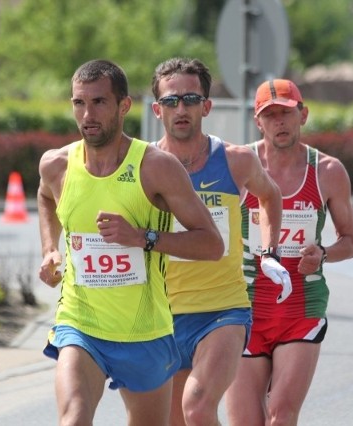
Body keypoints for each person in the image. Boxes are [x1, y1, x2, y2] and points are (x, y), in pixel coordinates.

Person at [37, 59, 224, 426]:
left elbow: (211, 244)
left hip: (144, 332)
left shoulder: (157, 167)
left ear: (124, 106)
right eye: (79, 103)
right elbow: (45, 197)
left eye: (99, 102)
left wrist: (143, 238)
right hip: (81, 324)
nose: (87, 114)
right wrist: (50, 248)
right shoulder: (57, 165)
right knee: (72, 419)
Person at [151, 57, 289, 426]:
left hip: (222, 311)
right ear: (156, 110)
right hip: (161, 316)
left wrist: (269, 251)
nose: (181, 109)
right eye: (171, 101)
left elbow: (271, 196)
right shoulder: (143, 167)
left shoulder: (235, 160)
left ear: (206, 107)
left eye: (191, 99)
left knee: (197, 406)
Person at [225, 79, 353, 426]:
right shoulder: (239, 166)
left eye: (285, 113)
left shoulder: (327, 171)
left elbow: (351, 240)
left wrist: (324, 254)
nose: (279, 123)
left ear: (303, 114)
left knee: (281, 415)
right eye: (269, 115)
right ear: (258, 122)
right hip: (246, 309)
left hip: (301, 307)